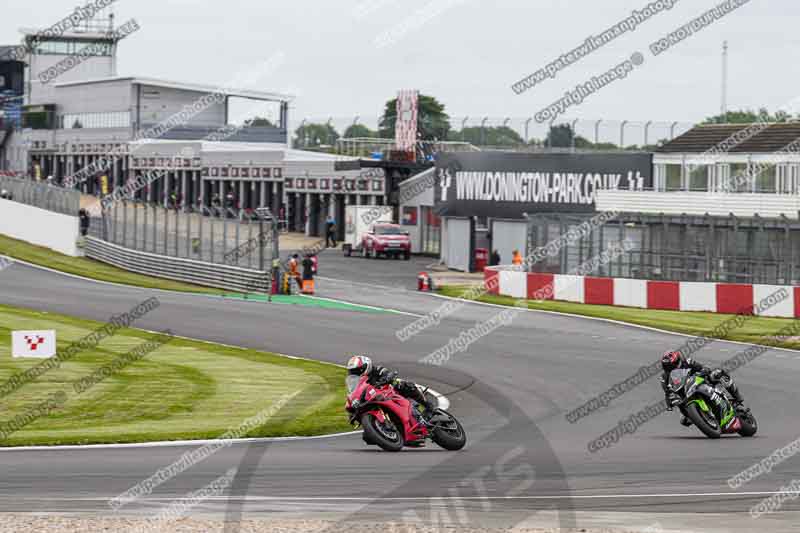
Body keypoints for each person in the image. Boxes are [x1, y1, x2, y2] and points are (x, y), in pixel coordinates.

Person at [660, 350, 745, 426]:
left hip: (700, 381)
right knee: (683, 418)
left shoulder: (688, 362)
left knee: (718, 373)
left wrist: (704, 371)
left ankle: (737, 397)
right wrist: (670, 402)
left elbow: (702, 367)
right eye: (667, 366)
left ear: (678, 360)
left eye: (672, 365)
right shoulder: (664, 377)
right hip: (685, 394)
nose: (670, 368)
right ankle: (694, 416)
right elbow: (668, 392)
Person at [346, 355, 435, 418]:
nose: (356, 373)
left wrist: (386, 378)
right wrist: (352, 411)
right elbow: (355, 393)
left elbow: (386, 372)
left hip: (390, 392)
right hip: (376, 399)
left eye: (357, 370)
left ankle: (428, 406)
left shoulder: (376, 370)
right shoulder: (357, 383)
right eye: (353, 372)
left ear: (365, 366)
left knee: (403, 385)